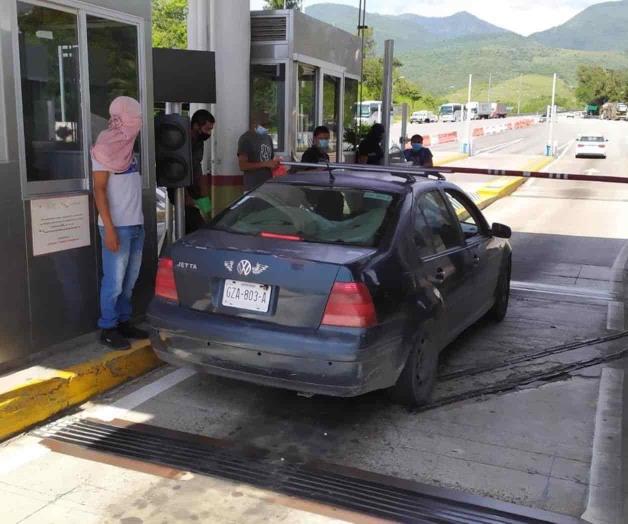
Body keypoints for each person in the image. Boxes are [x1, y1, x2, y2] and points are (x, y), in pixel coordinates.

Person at [92, 96, 148, 350]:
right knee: (113, 282)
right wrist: (110, 229)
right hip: (117, 227)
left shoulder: (128, 145)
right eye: (135, 116)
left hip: (135, 223)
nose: (138, 121)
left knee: (130, 280)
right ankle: (108, 327)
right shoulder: (105, 147)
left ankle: (124, 321)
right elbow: (99, 190)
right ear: (123, 118)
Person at [168, 109, 215, 234]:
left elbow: (197, 165)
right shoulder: (180, 141)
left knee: (197, 225)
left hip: (193, 188)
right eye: (207, 129)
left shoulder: (199, 142)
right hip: (180, 188)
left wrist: (204, 196)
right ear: (195, 126)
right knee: (197, 227)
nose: (209, 133)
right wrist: (186, 196)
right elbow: (176, 171)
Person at [237, 111, 279, 191]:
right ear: (254, 123)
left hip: (267, 187)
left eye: (267, 124)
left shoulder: (268, 138)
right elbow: (242, 165)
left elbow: (270, 161)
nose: (266, 127)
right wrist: (265, 164)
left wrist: (276, 164)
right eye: (263, 124)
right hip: (252, 188)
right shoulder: (246, 139)